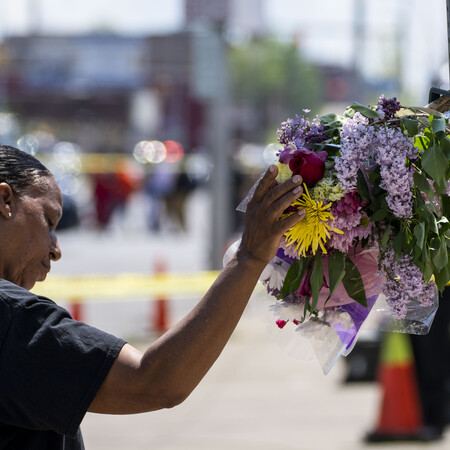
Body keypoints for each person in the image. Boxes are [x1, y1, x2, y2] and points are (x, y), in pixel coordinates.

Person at [0, 144, 306, 449]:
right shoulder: (10, 318)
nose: (56, 249)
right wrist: (250, 256)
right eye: (49, 222)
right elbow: (155, 381)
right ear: (5, 200)